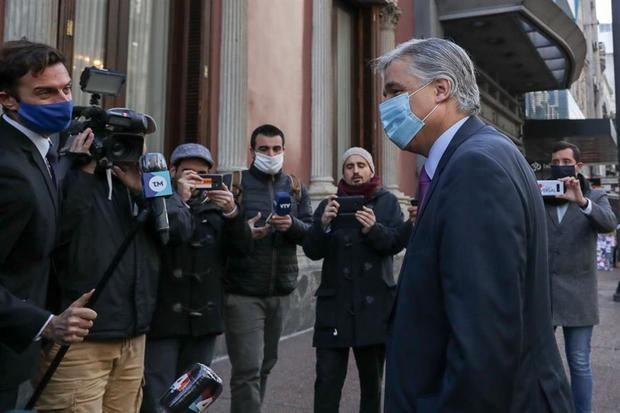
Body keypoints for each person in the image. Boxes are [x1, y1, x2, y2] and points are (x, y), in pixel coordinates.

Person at [374, 37, 574, 412]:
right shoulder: (483, 152)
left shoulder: (474, 167)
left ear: (441, 89)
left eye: (395, 91)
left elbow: (485, 340)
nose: (385, 107)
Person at [34, 128, 192, 412]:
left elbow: (181, 230)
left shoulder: (150, 181)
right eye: (119, 142)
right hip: (79, 342)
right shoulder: (70, 175)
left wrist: (147, 193)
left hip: (134, 340)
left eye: (135, 143)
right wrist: (82, 168)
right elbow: (49, 234)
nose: (127, 151)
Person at [0, 40, 98, 411]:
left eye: (66, 89)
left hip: (17, 356)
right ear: (8, 99)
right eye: (44, 92)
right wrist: (45, 324)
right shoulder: (8, 168)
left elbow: (45, 233)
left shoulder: (43, 147)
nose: (61, 100)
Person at [141, 143, 252, 412]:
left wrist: (232, 213)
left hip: (204, 320)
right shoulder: (157, 201)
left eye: (203, 175)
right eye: (188, 172)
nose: (196, 180)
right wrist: (178, 198)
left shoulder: (218, 209)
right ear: (172, 171)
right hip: (163, 318)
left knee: (192, 398)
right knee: (157, 396)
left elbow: (242, 252)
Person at [303, 147, 410, 413]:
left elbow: (396, 243)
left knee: (372, 385)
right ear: (343, 172)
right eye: (349, 166)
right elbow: (312, 250)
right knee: (327, 381)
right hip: (334, 307)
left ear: (372, 170)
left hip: (373, 307)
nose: (356, 171)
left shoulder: (387, 202)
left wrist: (374, 229)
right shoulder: (329, 203)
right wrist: (323, 225)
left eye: (362, 165)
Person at [224, 124, 312, 413]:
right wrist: (243, 228)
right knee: (247, 368)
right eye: (264, 149)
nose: (270, 154)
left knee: (265, 364)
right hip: (243, 292)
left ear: (284, 151)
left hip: (280, 291)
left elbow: (311, 235)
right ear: (252, 152)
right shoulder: (236, 185)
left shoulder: (296, 188)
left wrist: (292, 226)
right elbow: (222, 238)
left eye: (276, 149)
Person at [544, 141, 616, 413]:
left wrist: (582, 202)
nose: (560, 166)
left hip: (579, 295)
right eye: (555, 161)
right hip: (544, 293)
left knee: (579, 362)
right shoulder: (542, 193)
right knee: (540, 361)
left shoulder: (594, 196)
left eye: (565, 161)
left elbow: (608, 224)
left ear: (579, 165)